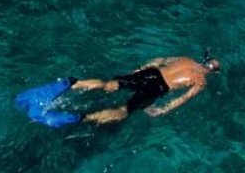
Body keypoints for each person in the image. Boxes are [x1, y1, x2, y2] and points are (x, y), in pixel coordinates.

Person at [70, 53, 221, 125]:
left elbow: (159, 60)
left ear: (204, 60)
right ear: (212, 72)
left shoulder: (186, 59)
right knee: (124, 111)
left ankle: (75, 84)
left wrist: (139, 70)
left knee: (109, 84)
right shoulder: (201, 82)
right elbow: (182, 99)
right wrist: (164, 109)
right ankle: (83, 118)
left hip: (152, 73)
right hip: (159, 88)